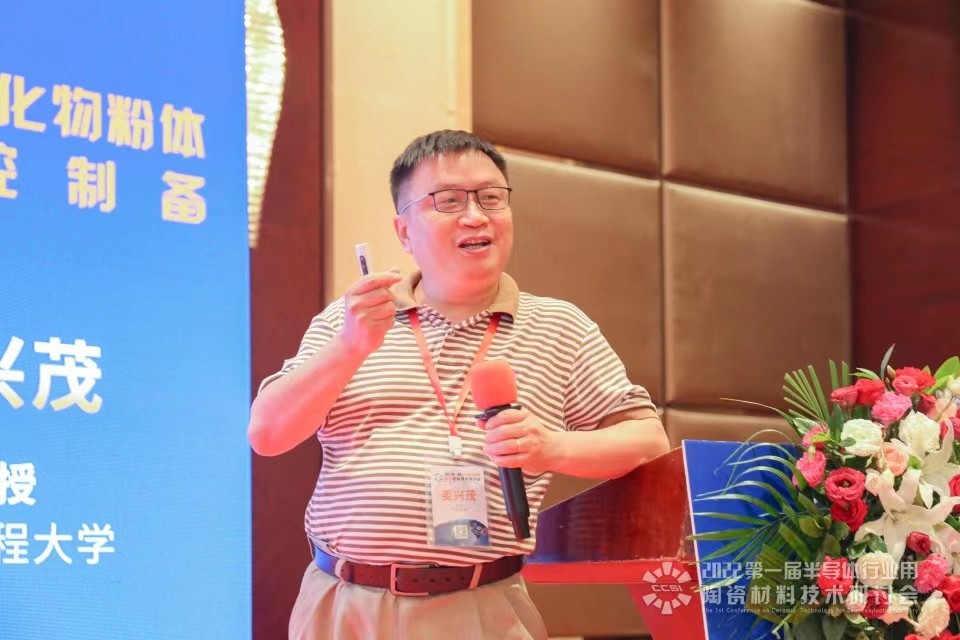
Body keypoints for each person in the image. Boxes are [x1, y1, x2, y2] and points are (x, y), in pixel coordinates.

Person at [247, 129, 670, 640]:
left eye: (491, 197)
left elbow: (649, 443)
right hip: (345, 605)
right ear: (404, 232)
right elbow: (267, 434)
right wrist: (351, 347)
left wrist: (551, 447)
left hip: (484, 606)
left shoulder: (560, 327)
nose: (475, 216)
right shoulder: (351, 319)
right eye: (448, 200)